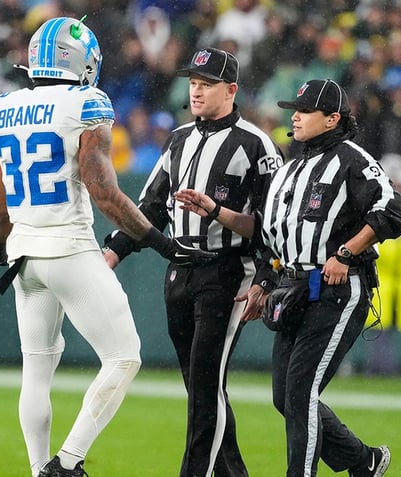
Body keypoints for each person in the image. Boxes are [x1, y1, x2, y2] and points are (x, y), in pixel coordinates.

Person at [0, 17, 215, 477]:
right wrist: (159, 241)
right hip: (68, 248)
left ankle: (37, 469)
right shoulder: (86, 102)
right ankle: (65, 464)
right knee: (124, 356)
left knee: (37, 370)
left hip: (24, 255)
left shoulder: (1, 107)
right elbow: (102, 189)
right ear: (82, 61)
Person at [175, 78, 401, 477]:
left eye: (304, 111)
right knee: (285, 396)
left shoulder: (352, 159)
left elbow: (393, 211)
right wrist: (220, 218)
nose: (295, 117)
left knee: (300, 393)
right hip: (293, 289)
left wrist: (345, 253)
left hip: (337, 288)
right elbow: (267, 234)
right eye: (293, 110)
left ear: (332, 118)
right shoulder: (289, 169)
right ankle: (362, 460)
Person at [102, 46, 284, 477]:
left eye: (206, 84)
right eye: (193, 83)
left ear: (231, 90)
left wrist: (265, 277)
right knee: (201, 387)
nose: (196, 91)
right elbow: (150, 206)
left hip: (227, 272)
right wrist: (113, 250)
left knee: (204, 386)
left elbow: (273, 223)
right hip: (180, 270)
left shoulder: (255, 144)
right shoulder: (180, 138)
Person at [364, 154, 401, 376]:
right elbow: (378, 247)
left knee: (386, 328)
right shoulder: (374, 206)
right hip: (380, 278)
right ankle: (383, 369)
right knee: (378, 328)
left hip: (400, 280)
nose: (400, 185)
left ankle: (379, 368)